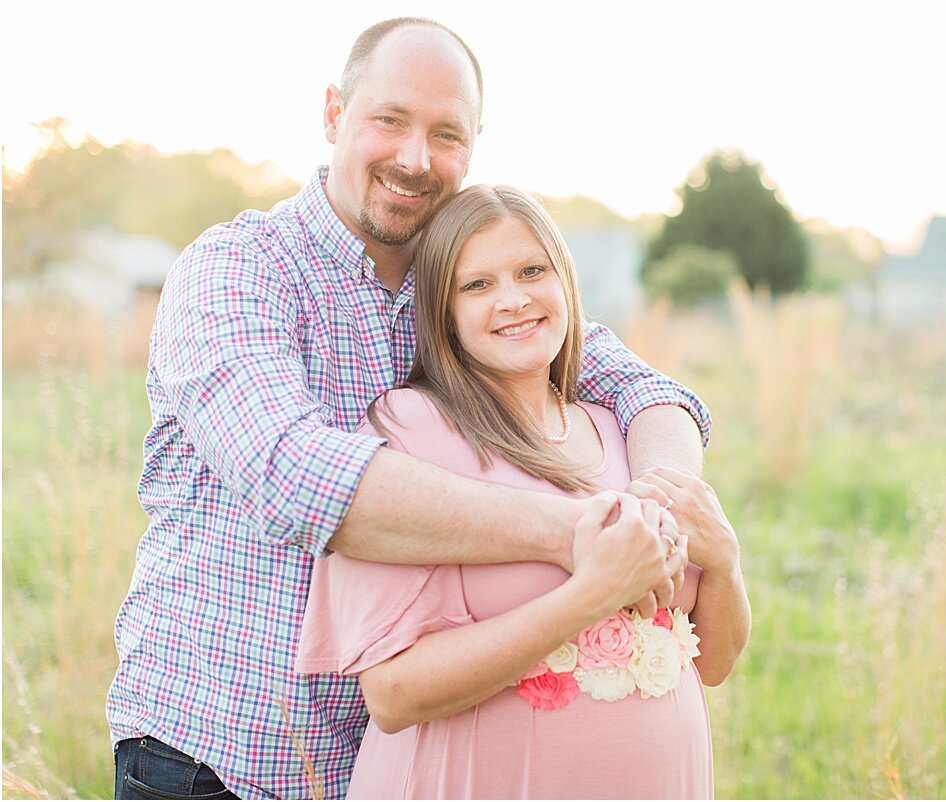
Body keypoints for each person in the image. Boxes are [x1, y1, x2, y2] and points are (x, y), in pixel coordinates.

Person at [108, 17, 711, 801]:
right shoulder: (237, 269)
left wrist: (663, 506)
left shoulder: (467, 285)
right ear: (334, 115)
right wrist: (583, 537)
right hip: (220, 757)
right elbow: (294, 474)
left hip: (395, 762)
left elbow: (649, 392)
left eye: (446, 134)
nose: (415, 158)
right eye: (389, 120)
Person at [296, 184, 751, 799]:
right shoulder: (410, 432)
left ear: (564, 281)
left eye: (532, 271)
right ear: (443, 311)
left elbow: (712, 665)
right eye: (477, 285)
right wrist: (587, 597)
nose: (514, 300)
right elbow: (392, 694)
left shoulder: (623, 431)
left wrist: (724, 561)